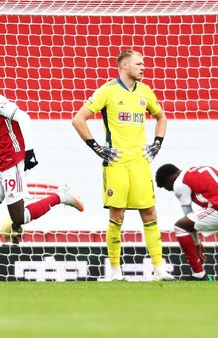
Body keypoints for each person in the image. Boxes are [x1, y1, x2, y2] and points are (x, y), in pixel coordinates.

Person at [0, 73, 84, 282]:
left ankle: (60, 196)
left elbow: (23, 117)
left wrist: (29, 151)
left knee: (18, 218)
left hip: (13, 163)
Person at [71, 50, 174, 281]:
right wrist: (97, 148)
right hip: (116, 164)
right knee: (118, 216)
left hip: (140, 164)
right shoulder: (107, 91)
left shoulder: (146, 92)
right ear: (124, 65)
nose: (143, 67)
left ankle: (159, 270)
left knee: (149, 213)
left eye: (143, 63)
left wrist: (157, 144)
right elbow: (78, 119)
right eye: (139, 63)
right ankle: (115, 272)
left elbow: (162, 118)